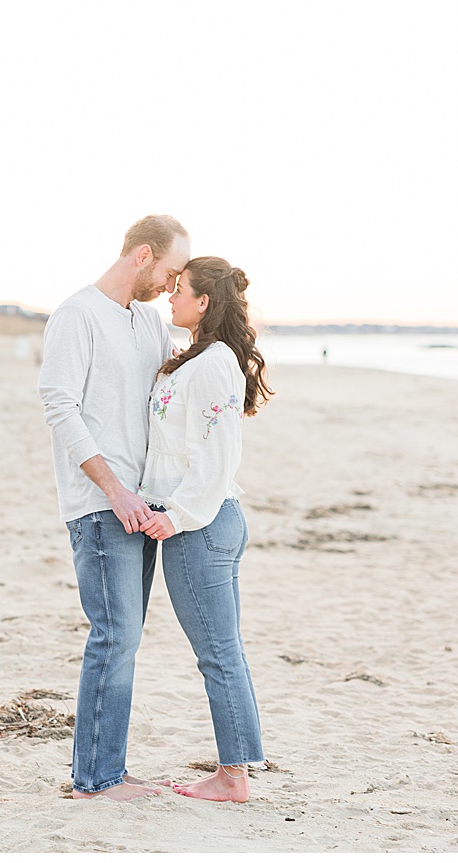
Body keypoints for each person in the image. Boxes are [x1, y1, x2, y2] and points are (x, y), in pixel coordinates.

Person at [38, 214, 191, 801]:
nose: (172, 285)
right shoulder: (77, 314)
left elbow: (171, 393)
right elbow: (60, 408)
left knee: (126, 638)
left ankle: (110, 772)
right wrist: (114, 490)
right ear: (143, 256)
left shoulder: (150, 320)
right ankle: (96, 781)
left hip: (143, 502)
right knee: (114, 635)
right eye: (171, 272)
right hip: (101, 503)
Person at [138, 256, 274, 803]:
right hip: (205, 522)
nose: (169, 297)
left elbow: (218, 457)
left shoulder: (216, 362)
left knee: (218, 653)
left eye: (179, 290)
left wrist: (174, 517)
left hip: (202, 525)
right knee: (224, 649)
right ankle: (235, 771)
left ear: (204, 303)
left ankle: (233, 778)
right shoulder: (200, 357)